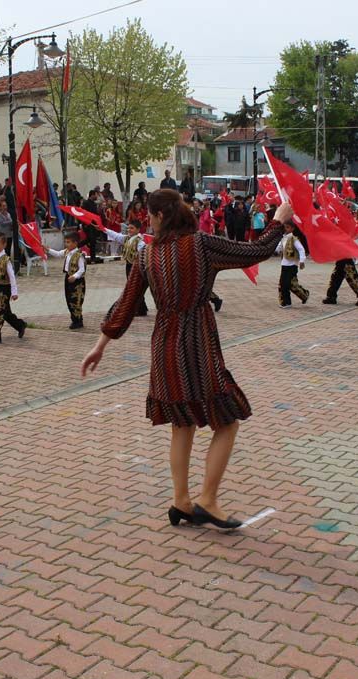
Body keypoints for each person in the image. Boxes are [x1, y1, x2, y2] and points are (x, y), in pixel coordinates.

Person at [82, 191, 293, 530]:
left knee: (182, 424)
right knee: (228, 419)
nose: (147, 221)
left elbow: (125, 305)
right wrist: (278, 221)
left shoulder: (147, 254)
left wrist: (100, 345)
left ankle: (181, 500)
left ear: (160, 216)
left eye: (149, 215)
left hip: (164, 347)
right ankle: (207, 500)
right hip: (197, 344)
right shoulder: (201, 244)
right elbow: (254, 252)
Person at [105, 220, 148, 316]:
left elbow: (143, 255)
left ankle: (140, 309)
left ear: (138, 229)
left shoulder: (140, 242)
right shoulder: (127, 238)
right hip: (129, 266)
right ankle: (142, 307)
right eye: (128, 228)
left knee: (134, 287)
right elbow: (115, 235)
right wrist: (103, 229)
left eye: (132, 228)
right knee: (135, 287)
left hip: (136, 267)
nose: (129, 230)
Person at [48, 232, 88, 329]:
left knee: (76, 300)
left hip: (77, 281)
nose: (66, 244)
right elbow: (58, 254)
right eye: (66, 242)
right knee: (69, 298)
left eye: (68, 242)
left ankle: (78, 320)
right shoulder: (67, 251)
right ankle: (75, 319)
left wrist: (75, 276)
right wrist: (48, 250)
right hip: (68, 277)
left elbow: (82, 269)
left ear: (75, 243)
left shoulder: (79, 255)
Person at [277, 221, 309, 308]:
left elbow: (301, 249)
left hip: (292, 265)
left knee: (287, 284)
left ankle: (288, 302)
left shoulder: (294, 239)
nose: (285, 229)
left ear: (292, 229)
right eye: (285, 227)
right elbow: (278, 248)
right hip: (284, 264)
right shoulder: (283, 238)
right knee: (284, 284)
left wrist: (302, 261)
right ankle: (301, 296)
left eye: (287, 227)